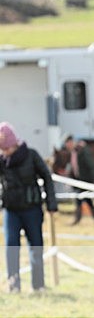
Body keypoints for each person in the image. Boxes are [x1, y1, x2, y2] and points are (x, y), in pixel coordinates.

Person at [0, 121, 58, 293]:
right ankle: (13, 285)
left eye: (7, 148)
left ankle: (38, 286)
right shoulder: (2, 161)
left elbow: (47, 177)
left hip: (32, 209)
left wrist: (51, 204)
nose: (5, 152)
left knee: (35, 247)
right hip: (11, 210)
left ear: (14, 143)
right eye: (2, 150)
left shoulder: (31, 155)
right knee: (11, 248)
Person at [61, 134, 94, 224]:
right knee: (85, 200)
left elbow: (90, 164)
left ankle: (79, 219)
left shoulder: (82, 149)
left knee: (83, 199)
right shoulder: (73, 152)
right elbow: (73, 166)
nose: (67, 146)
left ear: (71, 142)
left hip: (85, 180)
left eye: (67, 143)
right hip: (78, 180)